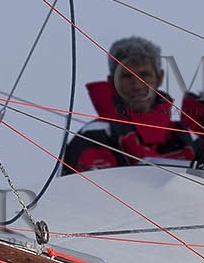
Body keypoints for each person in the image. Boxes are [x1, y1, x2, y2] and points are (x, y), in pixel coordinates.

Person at [62, 36, 194, 173]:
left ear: (160, 77)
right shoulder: (94, 136)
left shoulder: (186, 136)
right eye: (126, 76)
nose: (137, 85)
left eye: (144, 75)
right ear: (112, 82)